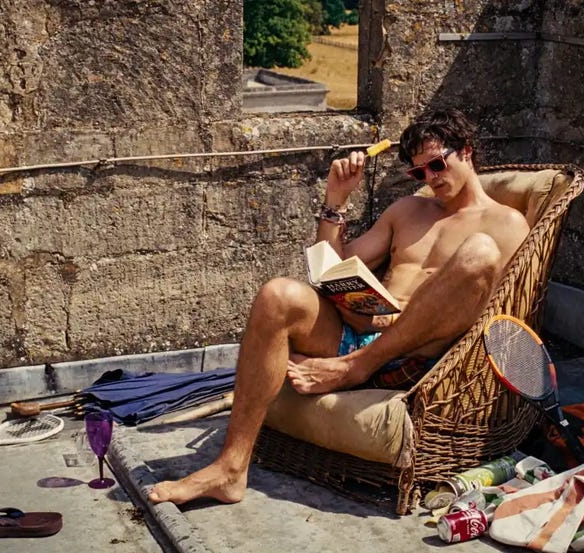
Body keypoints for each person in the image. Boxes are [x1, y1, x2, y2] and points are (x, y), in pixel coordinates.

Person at [148, 108, 530, 506]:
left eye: (436, 165)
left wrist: (395, 328)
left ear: (466, 152)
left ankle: (354, 368)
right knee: (277, 294)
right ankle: (231, 468)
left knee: (479, 252)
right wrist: (336, 201)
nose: (431, 179)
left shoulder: (508, 224)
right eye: (419, 173)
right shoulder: (407, 211)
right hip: (357, 333)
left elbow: (495, 311)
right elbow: (331, 271)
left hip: (416, 358)